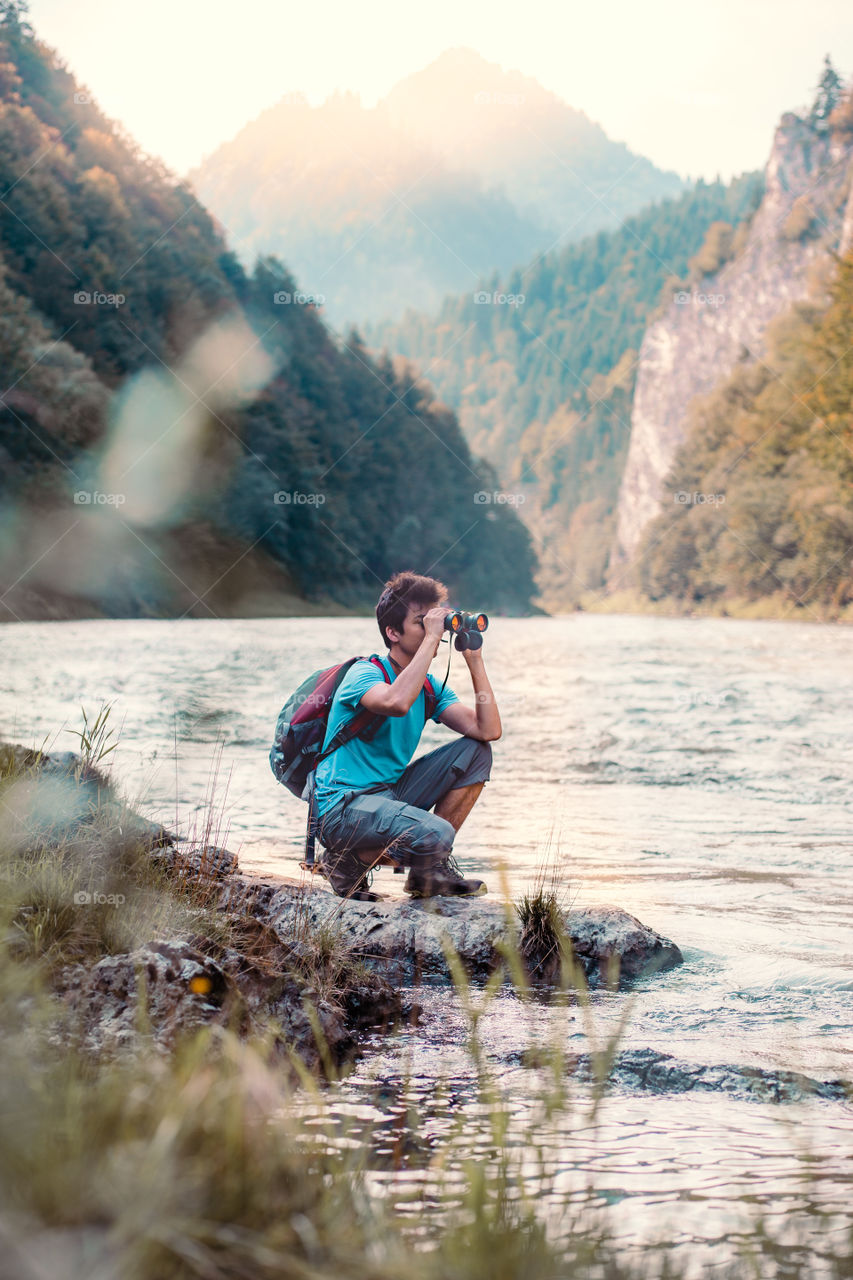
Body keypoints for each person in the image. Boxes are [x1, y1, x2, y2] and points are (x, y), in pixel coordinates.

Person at [308, 570, 501, 901]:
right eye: (421, 622)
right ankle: (344, 860)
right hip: (340, 807)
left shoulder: (429, 689)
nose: (432, 630)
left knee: (477, 751)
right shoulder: (364, 673)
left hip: (385, 795)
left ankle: (427, 875)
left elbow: (489, 730)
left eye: (433, 620)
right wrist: (431, 637)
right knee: (436, 834)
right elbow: (395, 702)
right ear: (392, 632)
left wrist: (475, 662)